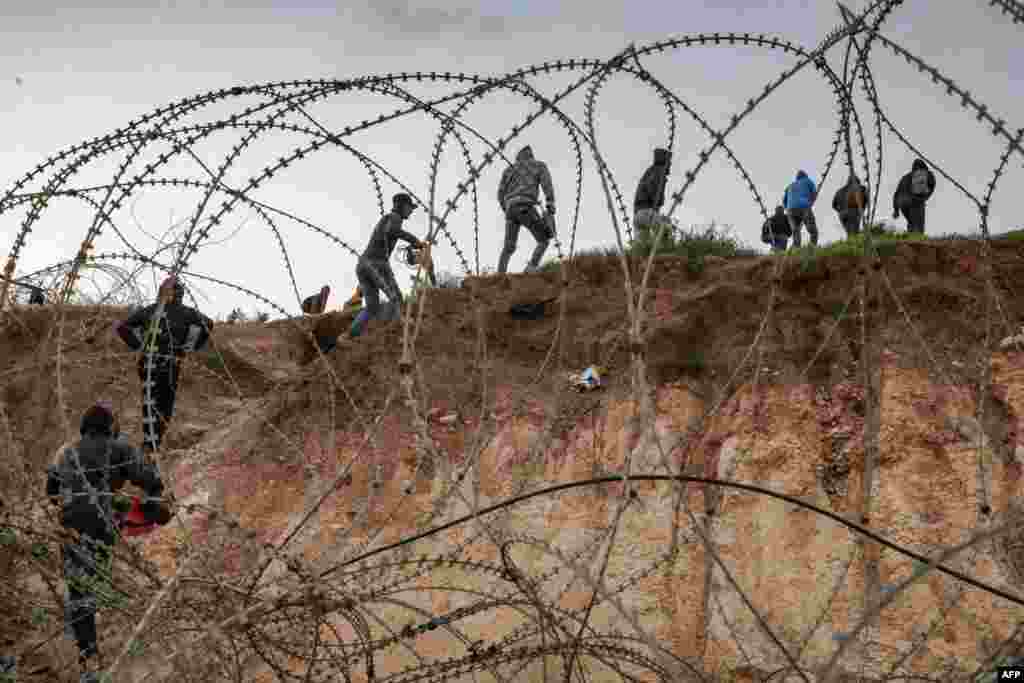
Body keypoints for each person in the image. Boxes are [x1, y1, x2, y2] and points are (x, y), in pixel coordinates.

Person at [46, 402, 171, 682]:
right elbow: (150, 478)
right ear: (109, 428)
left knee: (79, 586)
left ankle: (87, 653)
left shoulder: (66, 452)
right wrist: (151, 502)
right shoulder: (119, 449)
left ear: (84, 427)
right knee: (96, 577)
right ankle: (94, 631)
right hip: (101, 520)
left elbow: (51, 491)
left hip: (69, 522)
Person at [114, 276, 213, 453]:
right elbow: (208, 324)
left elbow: (122, 327)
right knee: (165, 403)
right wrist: (192, 346)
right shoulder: (186, 312)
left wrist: (139, 345)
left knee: (149, 398)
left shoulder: (150, 310)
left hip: (148, 362)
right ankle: (155, 442)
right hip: (170, 361)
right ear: (180, 294)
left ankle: (149, 440)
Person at [349, 193, 424, 338]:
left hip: (363, 265)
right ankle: (399, 330)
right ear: (401, 206)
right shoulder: (394, 218)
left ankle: (349, 335)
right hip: (377, 263)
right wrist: (415, 240)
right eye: (410, 208)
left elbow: (390, 233)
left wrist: (412, 245)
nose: (411, 211)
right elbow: (392, 231)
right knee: (396, 297)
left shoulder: (386, 219)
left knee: (372, 307)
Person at [496, 146, 556, 274]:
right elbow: (547, 184)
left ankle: (500, 274)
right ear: (531, 155)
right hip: (525, 206)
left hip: (510, 209)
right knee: (543, 239)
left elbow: (500, 193)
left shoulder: (509, 170)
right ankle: (531, 268)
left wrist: (506, 208)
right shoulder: (538, 166)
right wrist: (550, 203)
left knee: (509, 246)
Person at [633, 148, 672, 246]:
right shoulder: (659, 172)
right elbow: (652, 190)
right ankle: (665, 253)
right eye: (669, 162)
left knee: (641, 247)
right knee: (666, 228)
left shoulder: (649, 172)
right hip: (647, 212)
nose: (670, 166)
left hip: (638, 215)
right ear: (665, 161)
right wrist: (658, 200)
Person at [892, 159, 936, 234]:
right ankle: (916, 239)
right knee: (917, 223)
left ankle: (911, 236)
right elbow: (932, 184)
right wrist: (925, 198)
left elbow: (896, 193)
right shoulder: (927, 174)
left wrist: (896, 210)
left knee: (911, 221)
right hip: (915, 201)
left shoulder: (905, 177)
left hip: (902, 203)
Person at [783, 170, 818, 248]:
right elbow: (814, 194)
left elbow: (784, 202)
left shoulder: (790, 186)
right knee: (812, 230)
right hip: (804, 207)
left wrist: (789, 208)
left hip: (790, 210)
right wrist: (809, 202)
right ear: (805, 175)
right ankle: (812, 247)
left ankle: (796, 248)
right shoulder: (808, 181)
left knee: (795, 230)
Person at [832, 172, 869, 238]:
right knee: (854, 233)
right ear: (858, 180)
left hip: (843, 214)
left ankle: (850, 245)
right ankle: (854, 246)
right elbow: (866, 201)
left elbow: (833, 205)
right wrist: (862, 211)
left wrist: (840, 211)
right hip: (854, 212)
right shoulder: (861, 188)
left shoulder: (840, 190)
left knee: (849, 232)